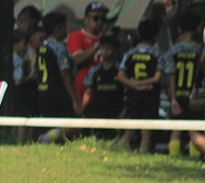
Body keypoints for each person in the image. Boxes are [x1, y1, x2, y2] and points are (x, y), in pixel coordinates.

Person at [35, 11, 81, 143]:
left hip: (43, 92)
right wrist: (75, 100)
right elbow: (65, 74)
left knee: (54, 124)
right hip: (58, 93)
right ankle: (46, 138)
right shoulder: (59, 48)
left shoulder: (42, 47)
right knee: (74, 124)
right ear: (57, 29)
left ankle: (52, 140)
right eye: (64, 26)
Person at [162, 12, 203, 158]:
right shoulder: (199, 50)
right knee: (195, 127)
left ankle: (173, 156)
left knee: (176, 128)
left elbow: (171, 73)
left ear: (179, 29)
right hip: (194, 95)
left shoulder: (173, 50)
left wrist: (172, 98)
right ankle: (194, 157)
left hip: (178, 93)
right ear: (198, 29)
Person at [118, 18, 162, 153]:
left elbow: (120, 76)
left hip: (133, 96)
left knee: (130, 129)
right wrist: (144, 84)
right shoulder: (156, 54)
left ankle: (117, 151)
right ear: (156, 36)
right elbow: (157, 78)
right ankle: (143, 154)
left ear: (138, 34)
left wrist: (134, 85)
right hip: (150, 96)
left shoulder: (130, 53)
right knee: (146, 130)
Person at [81, 34, 124, 139]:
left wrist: (123, 112)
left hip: (115, 112)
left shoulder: (120, 72)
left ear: (116, 50)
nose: (105, 51)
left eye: (109, 48)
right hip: (98, 112)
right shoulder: (94, 71)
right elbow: (88, 91)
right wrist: (82, 109)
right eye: (103, 47)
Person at [67, 1, 108, 103]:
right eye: (96, 18)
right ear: (86, 19)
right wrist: (97, 46)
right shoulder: (76, 37)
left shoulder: (106, 38)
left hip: (102, 90)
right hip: (82, 92)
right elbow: (77, 59)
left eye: (103, 19)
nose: (100, 22)